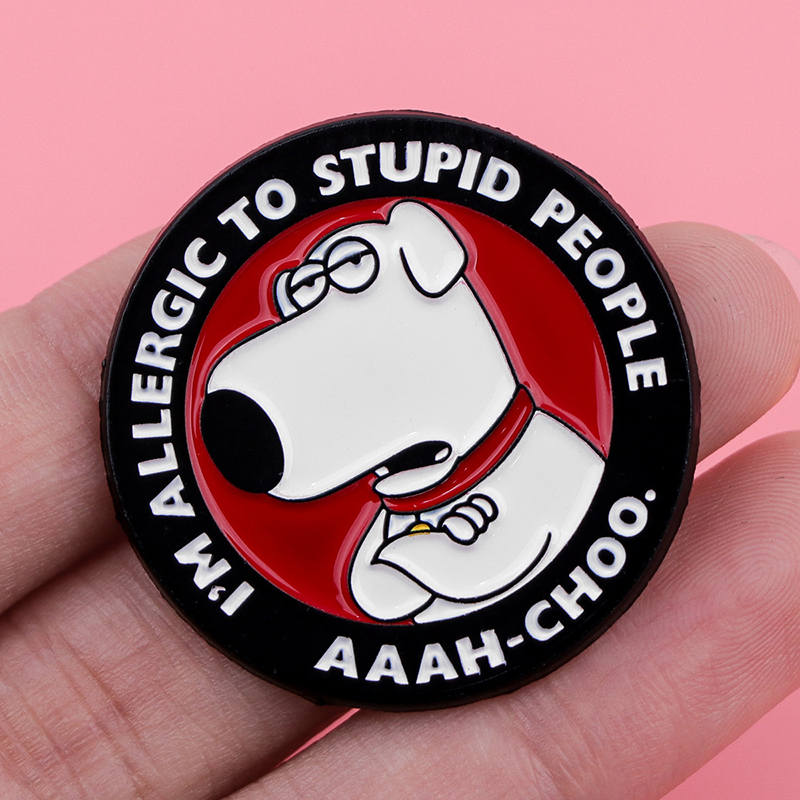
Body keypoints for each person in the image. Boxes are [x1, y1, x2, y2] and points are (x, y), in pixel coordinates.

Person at [0, 221, 798, 799]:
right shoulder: (407, 495)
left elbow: (484, 566)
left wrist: (425, 559)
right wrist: (407, 561)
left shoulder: (553, 464)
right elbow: (375, 592)